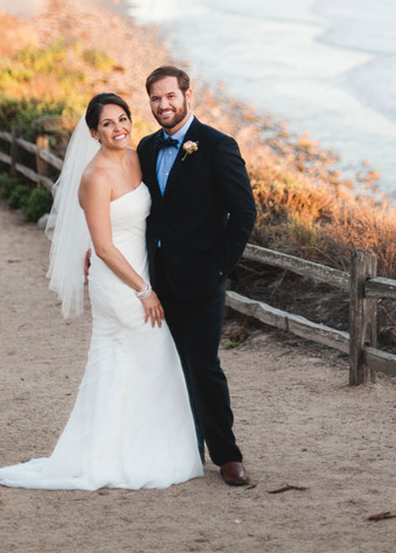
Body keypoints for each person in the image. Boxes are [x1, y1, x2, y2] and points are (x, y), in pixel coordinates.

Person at [0, 93, 202, 490]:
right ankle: (123, 456)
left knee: (127, 363)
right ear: (93, 133)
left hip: (137, 269)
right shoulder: (95, 177)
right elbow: (104, 246)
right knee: (150, 353)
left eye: (123, 119)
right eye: (108, 124)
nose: (119, 128)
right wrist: (144, 290)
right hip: (120, 283)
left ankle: (131, 448)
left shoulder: (135, 157)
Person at [137, 66, 257, 486]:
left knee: (204, 366)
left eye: (170, 96)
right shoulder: (146, 148)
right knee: (167, 367)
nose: (163, 105)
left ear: (188, 96)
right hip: (159, 280)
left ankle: (227, 455)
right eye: (155, 99)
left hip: (204, 280)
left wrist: (219, 269)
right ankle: (185, 448)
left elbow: (243, 214)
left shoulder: (217, 146)